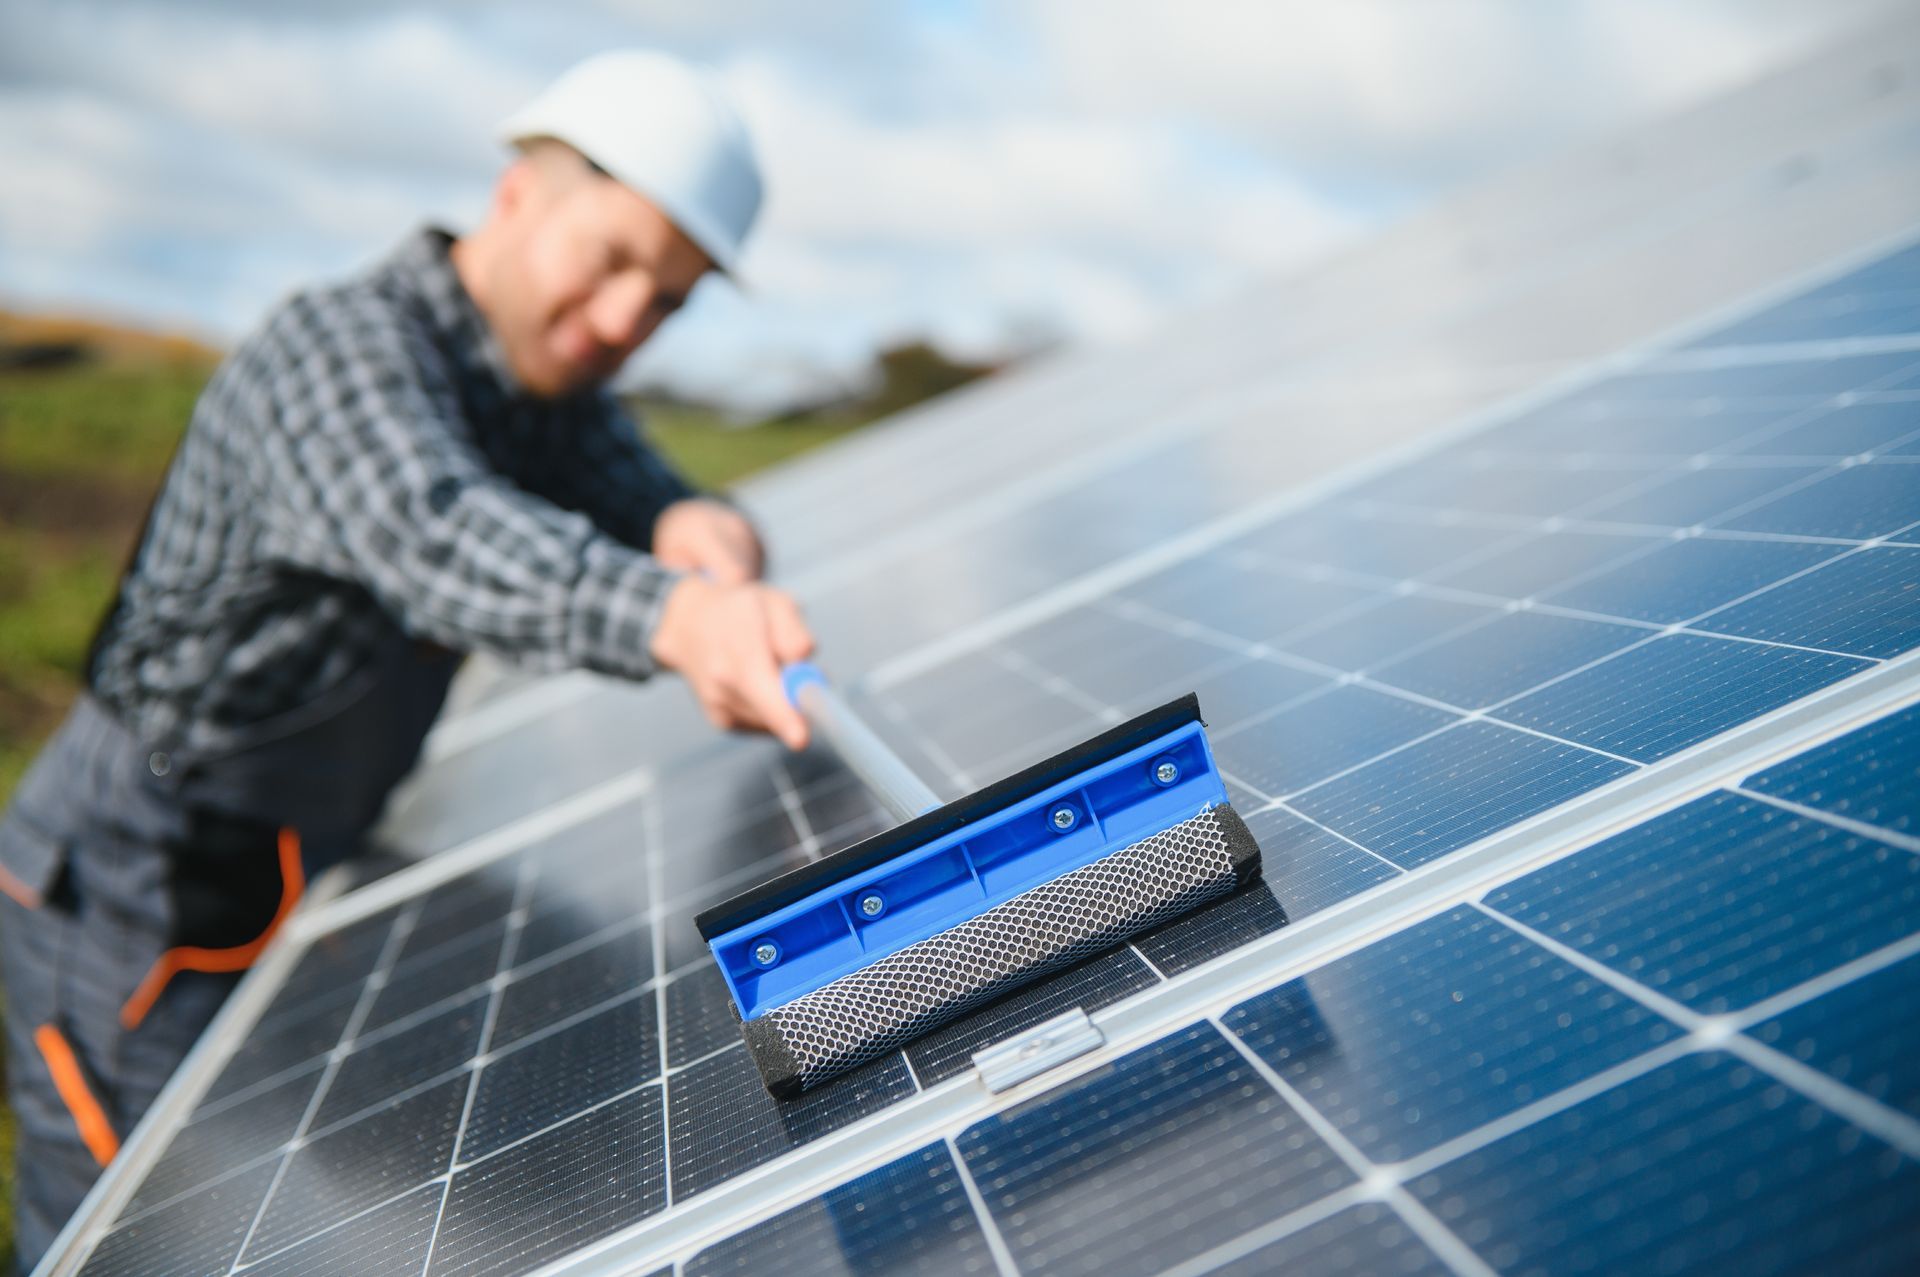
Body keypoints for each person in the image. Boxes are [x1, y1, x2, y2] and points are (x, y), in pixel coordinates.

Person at [0, 49, 813, 1271]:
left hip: (292, 876)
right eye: (612, 263)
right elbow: (432, 529)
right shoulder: (336, 351)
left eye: (666, 302)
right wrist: (675, 617)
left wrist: (701, 529)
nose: (619, 325)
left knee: (262, 1227)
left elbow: (642, 491)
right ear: (517, 197)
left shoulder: (545, 396)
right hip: (131, 894)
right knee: (138, 1237)